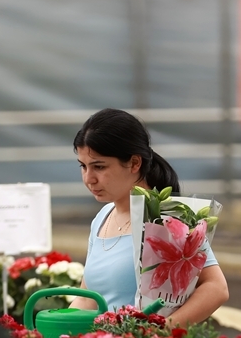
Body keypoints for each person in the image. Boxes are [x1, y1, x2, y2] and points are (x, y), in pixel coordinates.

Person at [68, 108, 230, 325]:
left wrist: (162, 332)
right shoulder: (103, 216)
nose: (89, 179)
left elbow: (216, 288)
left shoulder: (165, 216)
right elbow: (87, 299)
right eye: (83, 166)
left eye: (99, 167)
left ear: (135, 163)